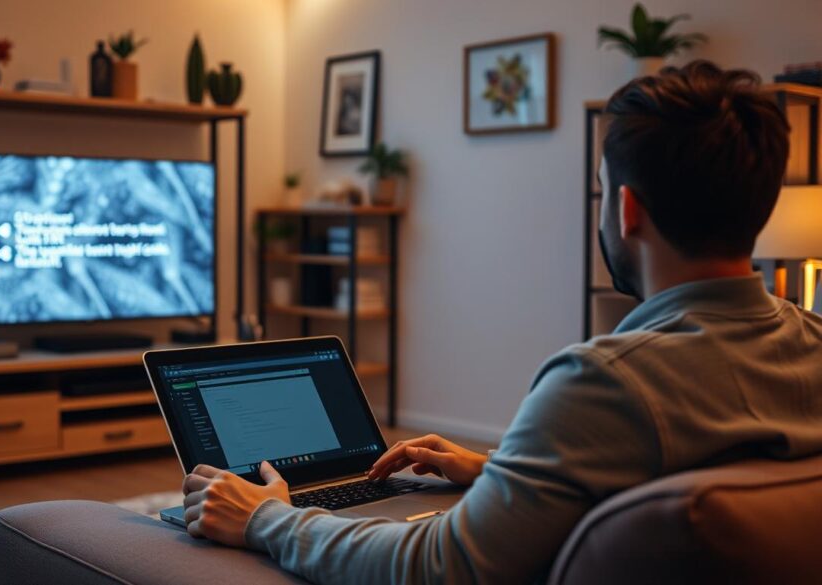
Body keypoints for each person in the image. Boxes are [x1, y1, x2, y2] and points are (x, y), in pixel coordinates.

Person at [179, 61, 822, 583]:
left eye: (600, 193)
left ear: (626, 211)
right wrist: (503, 469)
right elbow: (663, 467)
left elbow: (438, 568)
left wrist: (268, 520)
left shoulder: (605, 383)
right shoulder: (811, 344)